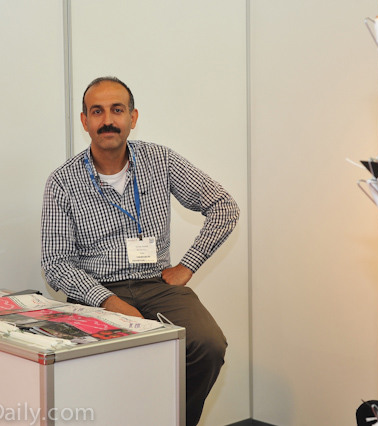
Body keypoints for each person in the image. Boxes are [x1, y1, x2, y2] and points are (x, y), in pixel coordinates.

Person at [41, 76, 240, 425]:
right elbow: (56, 263)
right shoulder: (63, 181)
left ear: (133, 118)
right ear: (84, 121)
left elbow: (224, 206)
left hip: (156, 284)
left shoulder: (160, 161)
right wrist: (111, 303)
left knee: (207, 345)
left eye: (117, 110)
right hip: (96, 291)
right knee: (116, 371)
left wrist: (187, 266)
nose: (108, 120)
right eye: (97, 111)